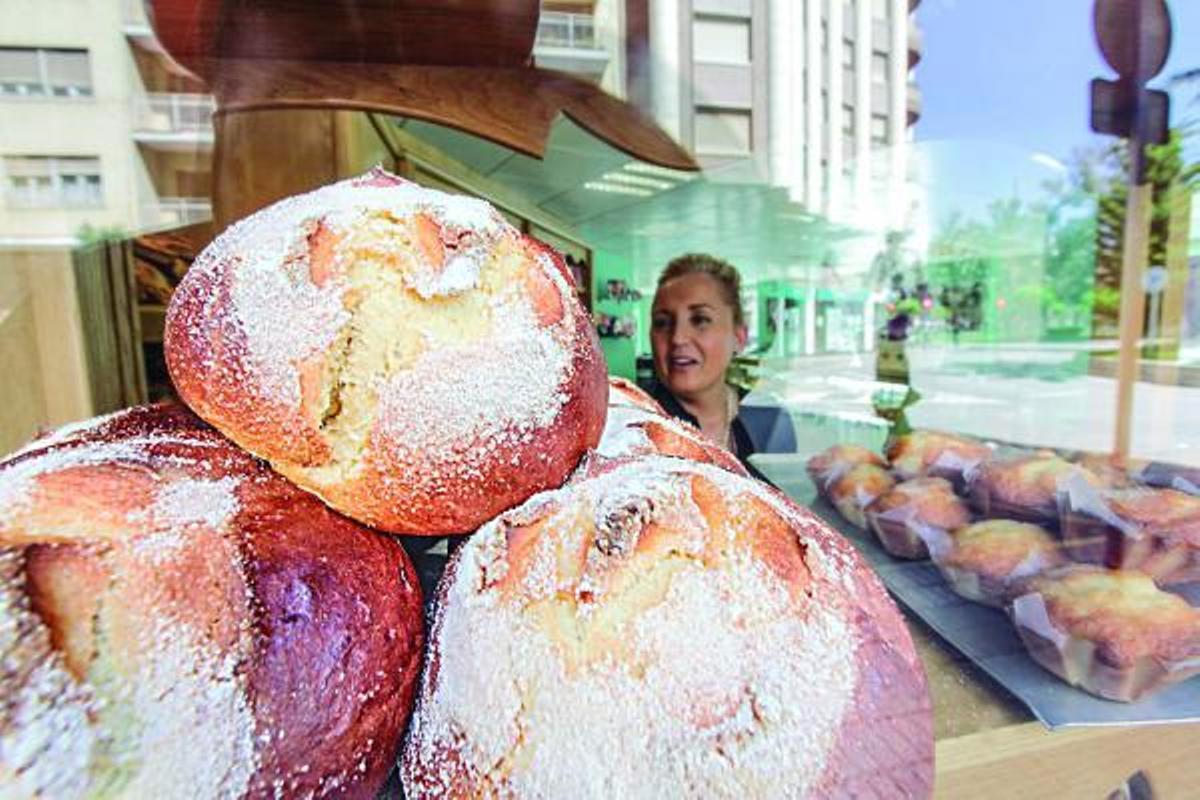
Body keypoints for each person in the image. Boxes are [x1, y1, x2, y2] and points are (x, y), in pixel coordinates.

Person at [646, 253, 773, 482]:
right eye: (662, 322)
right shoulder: (633, 427)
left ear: (739, 337)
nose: (677, 338)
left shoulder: (768, 420)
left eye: (700, 319)